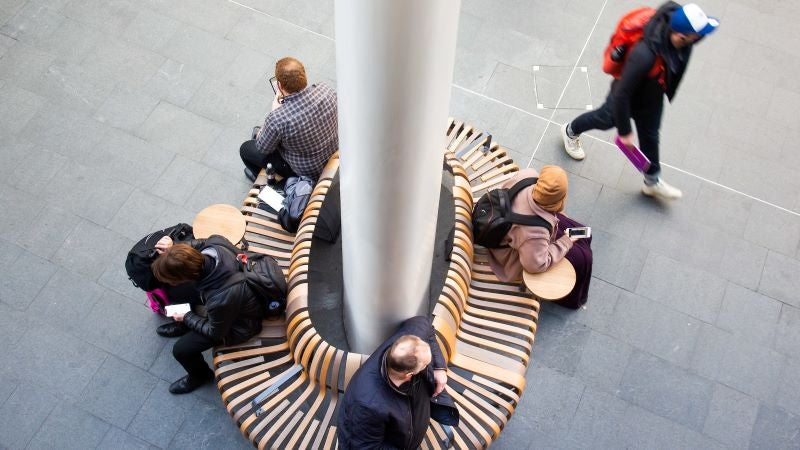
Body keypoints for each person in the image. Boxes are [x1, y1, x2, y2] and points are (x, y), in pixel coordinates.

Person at [560, 2, 719, 200]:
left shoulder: (681, 41)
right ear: (681, 35)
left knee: (650, 137)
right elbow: (622, 93)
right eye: (698, 34)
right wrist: (625, 131)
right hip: (626, 98)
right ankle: (570, 131)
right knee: (604, 119)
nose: (701, 37)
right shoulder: (644, 54)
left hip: (651, 97)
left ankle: (652, 182)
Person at [150, 235, 265, 394]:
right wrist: (174, 249)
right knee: (177, 292)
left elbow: (215, 332)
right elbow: (199, 243)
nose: (170, 283)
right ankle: (185, 326)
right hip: (232, 292)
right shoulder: (214, 244)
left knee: (181, 350)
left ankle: (201, 376)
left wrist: (187, 316)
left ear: (187, 277)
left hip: (241, 323)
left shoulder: (220, 298)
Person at [336, 316, 459, 449]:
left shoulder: (407, 347)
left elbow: (423, 323)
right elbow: (366, 447)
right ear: (410, 374)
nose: (429, 365)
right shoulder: (368, 406)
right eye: (426, 364)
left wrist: (439, 368)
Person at [488, 166, 593, 309]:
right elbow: (536, 265)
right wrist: (566, 241)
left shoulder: (528, 175)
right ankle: (572, 299)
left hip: (517, 224)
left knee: (583, 234)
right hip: (516, 250)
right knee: (583, 259)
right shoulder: (534, 234)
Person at [240, 56, 338, 183]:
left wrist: (274, 111)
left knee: (246, 148)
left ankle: (259, 177)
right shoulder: (325, 90)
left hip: (307, 172)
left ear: (279, 86)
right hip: (333, 153)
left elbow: (263, 148)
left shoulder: (277, 119)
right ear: (304, 76)